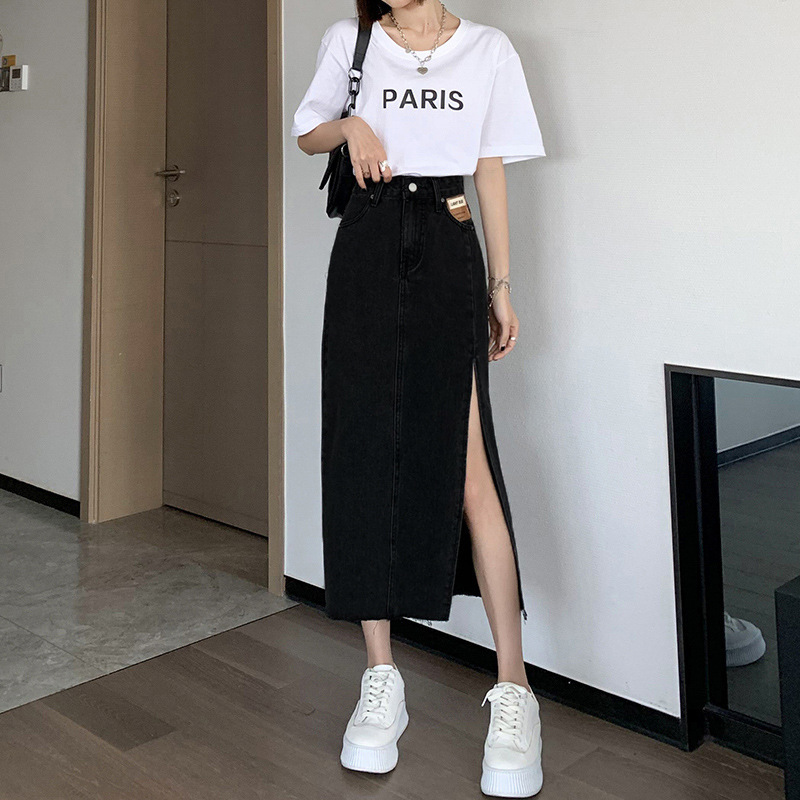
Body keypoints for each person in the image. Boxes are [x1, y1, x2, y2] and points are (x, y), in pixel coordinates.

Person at [291, 1, 546, 795]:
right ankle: (381, 677)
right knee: (364, 455)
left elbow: (491, 167)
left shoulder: (490, 50)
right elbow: (307, 132)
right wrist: (350, 128)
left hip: (448, 235)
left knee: (469, 472)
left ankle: (514, 690)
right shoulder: (352, 41)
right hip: (367, 242)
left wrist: (502, 285)